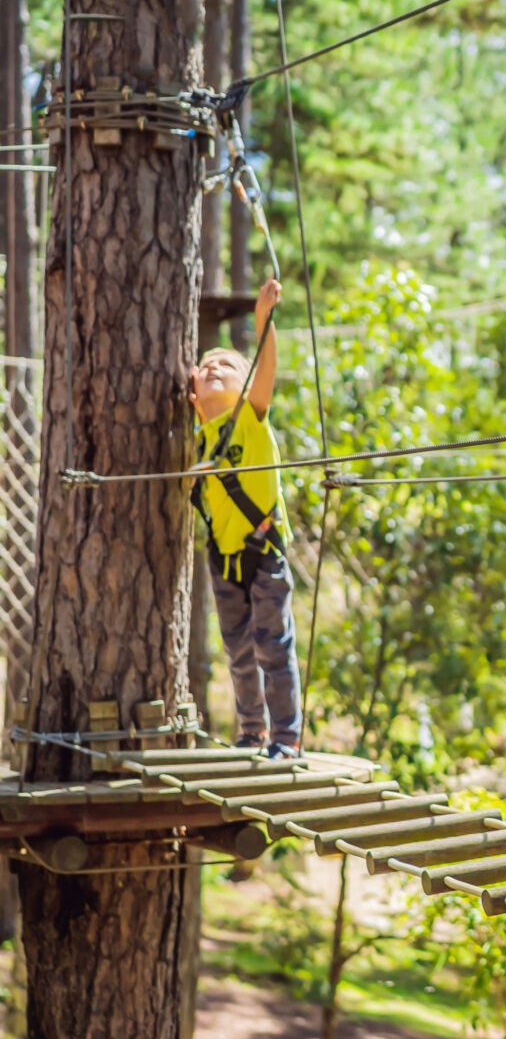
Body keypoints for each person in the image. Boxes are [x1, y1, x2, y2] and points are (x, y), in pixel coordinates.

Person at [190, 278, 303, 760]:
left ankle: (286, 737)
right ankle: (251, 732)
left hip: (264, 553)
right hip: (225, 559)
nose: (213, 367)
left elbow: (266, 368)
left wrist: (262, 319)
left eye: (226, 365)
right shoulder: (195, 439)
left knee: (272, 649)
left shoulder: (251, 418)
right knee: (238, 652)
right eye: (204, 366)